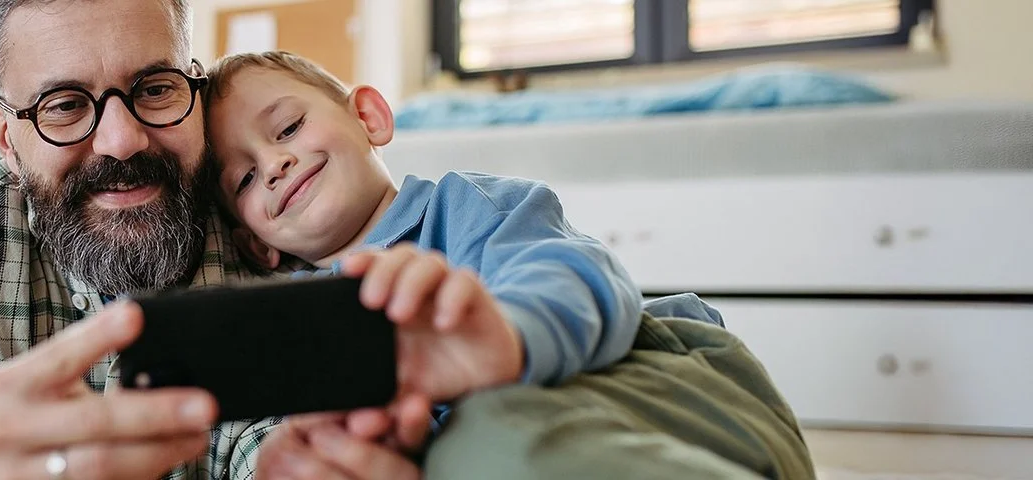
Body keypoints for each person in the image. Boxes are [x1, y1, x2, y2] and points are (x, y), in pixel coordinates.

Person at [0, 0, 815, 479]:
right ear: (5, 132)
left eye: (152, 89)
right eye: (66, 105)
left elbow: (260, 429)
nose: (122, 141)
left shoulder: (230, 215)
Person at [199, 52, 817, 480]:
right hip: (518, 448)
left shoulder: (465, 206)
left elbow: (579, 277)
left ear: (369, 118)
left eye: (288, 127)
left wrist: (507, 334)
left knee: (488, 430)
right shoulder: (300, 318)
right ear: (256, 244)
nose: (274, 164)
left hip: (652, 386)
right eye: (246, 177)